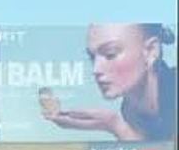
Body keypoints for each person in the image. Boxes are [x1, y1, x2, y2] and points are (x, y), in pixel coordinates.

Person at [44, 23, 177, 141]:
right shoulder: (129, 108)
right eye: (92, 57)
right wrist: (112, 124)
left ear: (151, 50)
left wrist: (115, 125)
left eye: (110, 54)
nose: (96, 70)